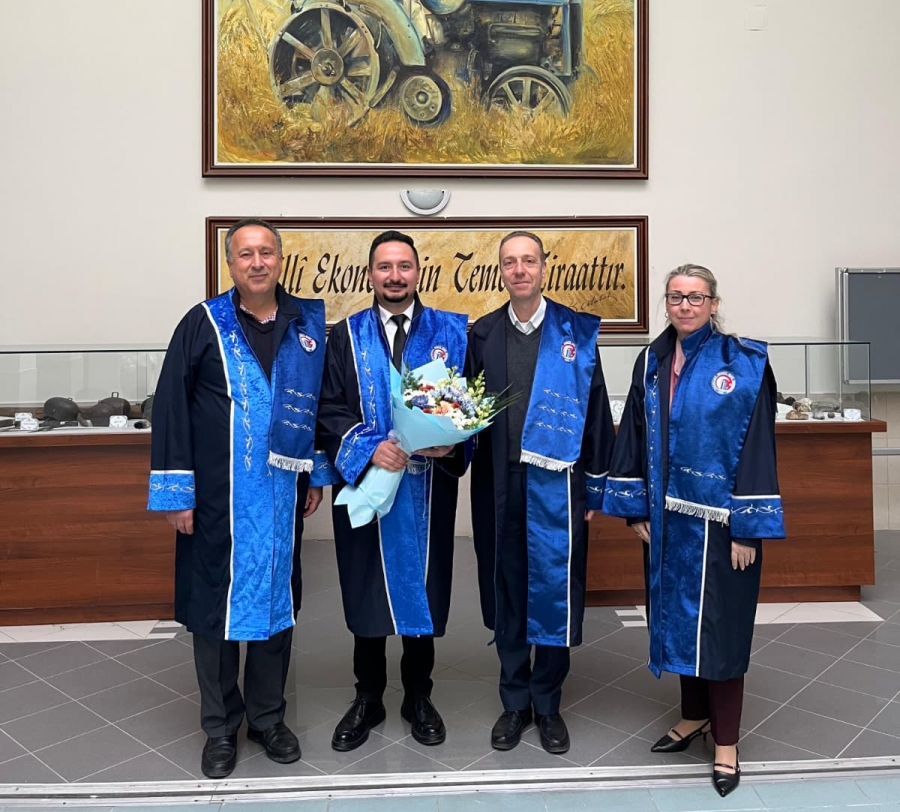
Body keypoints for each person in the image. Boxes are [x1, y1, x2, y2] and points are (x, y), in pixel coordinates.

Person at [147, 219, 332, 780]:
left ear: (280, 260)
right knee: (215, 611)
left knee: (276, 606)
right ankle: (220, 727)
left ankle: (269, 719)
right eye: (245, 253)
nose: (257, 262)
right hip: (217, 500)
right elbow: (171, 407)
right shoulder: (203, 323)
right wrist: (177, 494)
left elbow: (319, 404)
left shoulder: (306, 325)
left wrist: (315, 473)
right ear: (230, 264)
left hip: (280, 495)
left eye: (266, 252)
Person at [603, 264, 785, 797]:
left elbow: (758, 444)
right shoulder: (651, 360)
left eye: (696, 297)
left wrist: (747, 529)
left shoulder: (744, 362)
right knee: (677, 618)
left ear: (713, 303)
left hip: (722, 524)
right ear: (666, 303)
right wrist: (636, 508)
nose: (685, 305)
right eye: (676, 296)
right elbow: (633, 432)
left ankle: (726, 742)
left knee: (721, 630)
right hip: (666, 521)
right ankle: (694, 716)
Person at [317, 231, 469, 752]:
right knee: (366, 588)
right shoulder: (347, 334)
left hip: (427, 489)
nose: (395, 276)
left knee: (421, 588)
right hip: (368, 485)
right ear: (370, 275)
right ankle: (368, 697)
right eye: (385, 267)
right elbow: (328, 407)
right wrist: (367, 447)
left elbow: (468, 406)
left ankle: (418, 697)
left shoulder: (451, 331)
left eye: (404, 266)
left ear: (417, 272)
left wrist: (451, 443)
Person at [467, 231, 616, 754]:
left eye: (528, 260)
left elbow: (596, 411)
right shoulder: (482, 334)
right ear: (501, 272)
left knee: (554, 590)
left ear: (544, 267)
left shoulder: (574, 332)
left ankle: (548, 703)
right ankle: (514, 702)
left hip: (559, 485)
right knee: (507, 589)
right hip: (499, 484)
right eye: (510, 262)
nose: (520, 270)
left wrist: (594, 490)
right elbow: (468, 412)